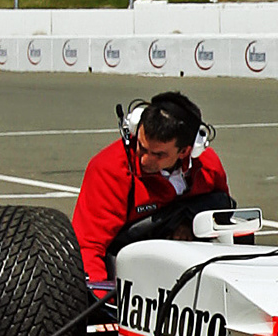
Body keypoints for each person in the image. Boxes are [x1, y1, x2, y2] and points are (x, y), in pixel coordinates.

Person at [72, 92, 229, 288]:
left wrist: (190, 225)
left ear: (186, 151)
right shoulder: (108, 170)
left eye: (158, 154)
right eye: (142, 147)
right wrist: (102, 303)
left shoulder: (209, 166)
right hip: (126, 281)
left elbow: (225, 223)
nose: (145, 160)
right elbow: (88, 247)